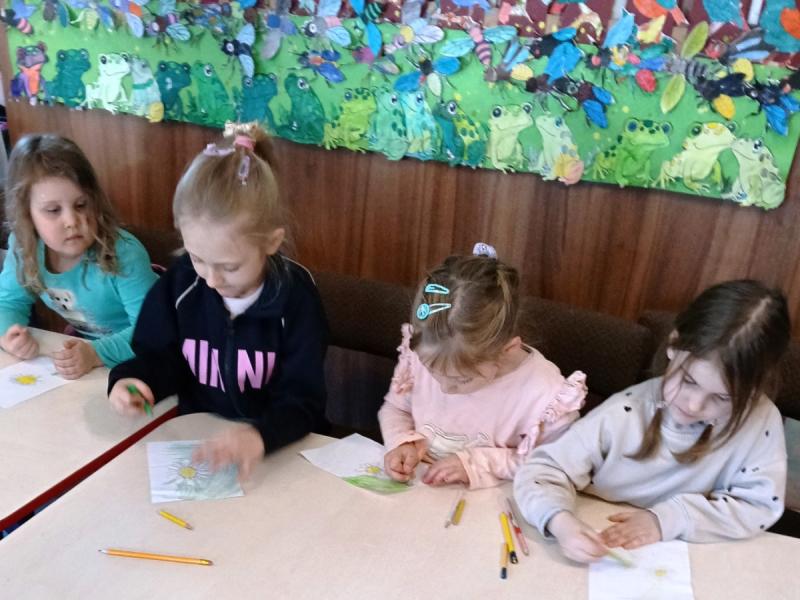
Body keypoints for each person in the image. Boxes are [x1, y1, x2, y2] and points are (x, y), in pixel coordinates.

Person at [108, 122, 328, 479]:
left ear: (271, 242)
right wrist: (132, 380)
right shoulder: (182, 284)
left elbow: (304, 400)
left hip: (280, 453)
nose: (211, 280)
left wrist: (258, 436)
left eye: (229, 267)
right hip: (201, 444)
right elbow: (160, 358)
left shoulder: (295, 300)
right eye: (197, 258)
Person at [514, 280, 791, 562]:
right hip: (601, 535)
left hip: (698, 557)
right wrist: (561, 522)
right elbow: (541, 471)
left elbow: (758, 506)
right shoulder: (626, 412)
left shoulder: (760, 421)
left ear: (756, 388)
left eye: (722, 398)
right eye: (689, 380)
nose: (694, 405)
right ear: (673, 345)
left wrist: (667, 519)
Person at [379, 243, 587, 489]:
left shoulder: (545, 395)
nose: (445, 388)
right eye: (432, 372)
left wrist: (476, 464)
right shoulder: (423, 350)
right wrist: (402, 442)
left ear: (507, 349)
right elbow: (397, 408)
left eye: (462, 379)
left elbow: (555, 463)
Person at [0, 133, 157, 378]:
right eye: (53, 210)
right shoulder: (24, 248)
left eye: (81, 205)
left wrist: (96, 353)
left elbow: (151, 330)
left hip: (146, 355)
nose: (72, 221)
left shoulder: (125, 252)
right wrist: (9, 334)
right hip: (87, 353)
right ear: (27, 216)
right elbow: (8, 302)